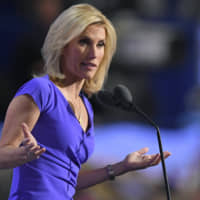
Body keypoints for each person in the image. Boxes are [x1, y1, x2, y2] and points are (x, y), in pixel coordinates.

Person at [0, 3, 171, 200]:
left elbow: (67, 182)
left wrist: (121, 167)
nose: (93, 53)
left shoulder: (85, 106)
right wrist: (22, 155)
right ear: (62, 45)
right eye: (84, 42)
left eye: (100, 44)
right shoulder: (41, 91)